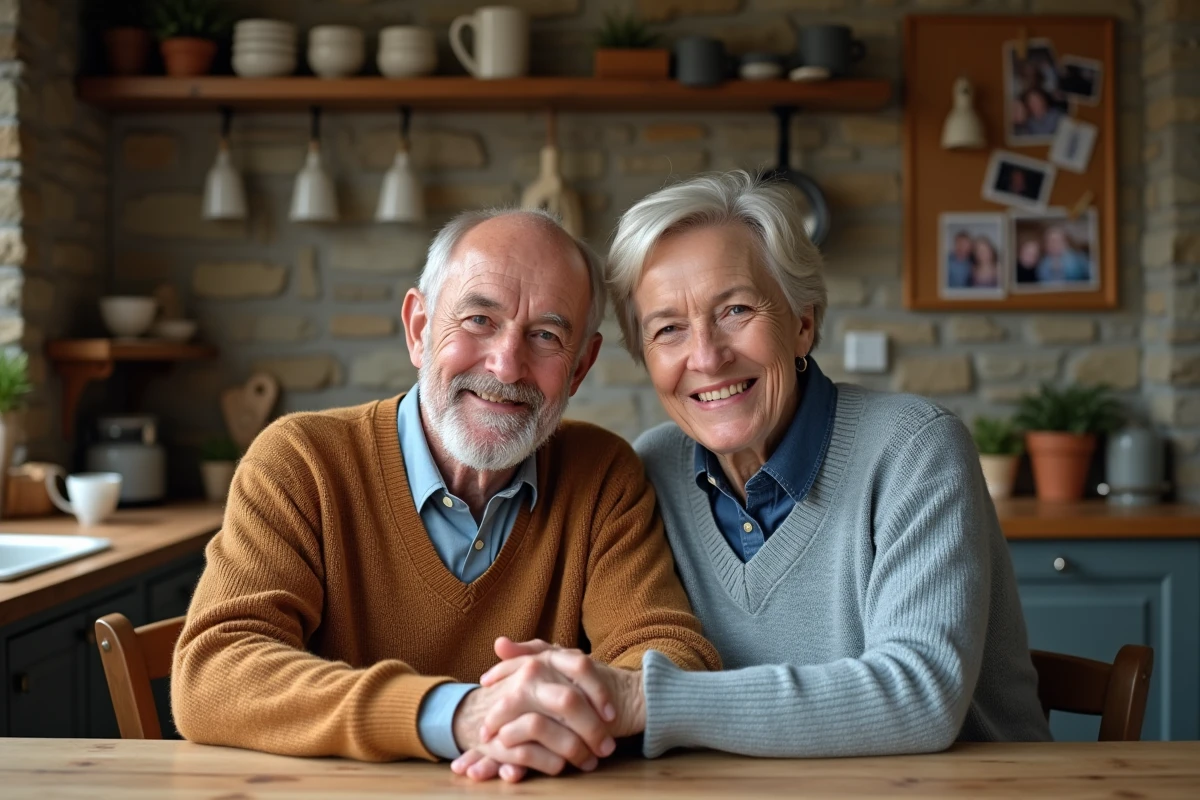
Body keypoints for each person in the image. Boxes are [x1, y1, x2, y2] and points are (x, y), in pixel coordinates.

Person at [453, 171, 1050, 782]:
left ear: (803, 322)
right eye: (668, 330)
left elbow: (923, 696)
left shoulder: (915, 450)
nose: (707, 357)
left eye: (735, 310)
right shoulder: (651, 469)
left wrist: (642, 700)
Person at [171, 209, 721, 766]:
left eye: (546, 336)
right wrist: (457, 715)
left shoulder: (602, 474)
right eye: (479, 319)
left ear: (579, 368)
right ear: (419, 328)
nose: (507, 366)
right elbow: (215, 671)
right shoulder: (299, 462)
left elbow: (674, 659)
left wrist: (541, 716)